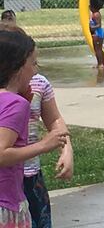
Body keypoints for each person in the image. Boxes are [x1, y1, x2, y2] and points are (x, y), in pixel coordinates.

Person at [3, 19, 74, 228]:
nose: (35, 68)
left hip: (30, 176)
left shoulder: (39, 83)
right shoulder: (8, 96)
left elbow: (55, 120)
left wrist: (67, 150)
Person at [89, 0, 104, 69]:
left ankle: (100, 64)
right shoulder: (94, 13)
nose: (89, 7)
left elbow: (99, 25)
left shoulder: (96, 15)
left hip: (97, 33)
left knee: (97, 50)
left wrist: (91, 28)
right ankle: (103, 63)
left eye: (90, 6)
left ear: (93, 7)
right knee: (99, 49)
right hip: (98, 33)